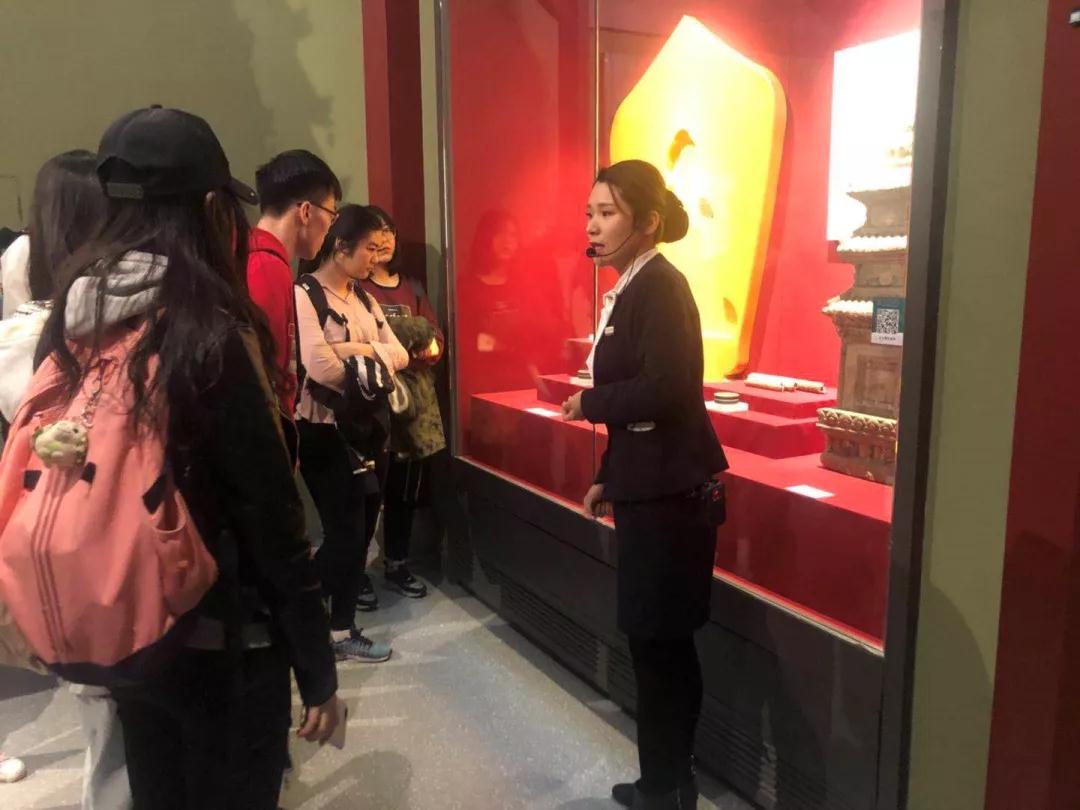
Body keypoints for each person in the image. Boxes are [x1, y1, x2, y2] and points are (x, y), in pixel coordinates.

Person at [31, 106, 341, 809]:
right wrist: (316, 667)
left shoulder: (74, 319)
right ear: (210, 208)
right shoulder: (208, 331)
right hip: (225, 638)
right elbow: (270, 514)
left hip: (130, 629)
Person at [561, 160, 728, 810]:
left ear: (648, 221)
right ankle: (668, 782)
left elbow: (667, 388)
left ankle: (667, 786)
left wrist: (590, 402)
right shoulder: (633, 286)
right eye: (590, 213)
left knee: (660, 644)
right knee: (655, 643)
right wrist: (609, 475)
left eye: (607, 214)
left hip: (671, 496)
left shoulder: (660, 286)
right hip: (649, 486)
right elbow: (641, 412)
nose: (593, 227)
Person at [0, 150, 118, 803]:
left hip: (50, 532)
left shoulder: (26, 310)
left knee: (99, 701)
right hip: (96, 531)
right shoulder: (74, 326)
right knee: (111, 706)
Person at [295, 204, 408, 655]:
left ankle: (336, 625)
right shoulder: (305, 293)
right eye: (370, 249)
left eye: (381, 250)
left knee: (360, 534)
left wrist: (351, 349)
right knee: (344, 534)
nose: (376, 260)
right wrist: (371, 352)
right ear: (341, 247)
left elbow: (400, 354)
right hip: (323, 429)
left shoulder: (363, 298)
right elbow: (318, 365)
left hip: (369, 426)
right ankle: (311, 611)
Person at [359, 206, 445, 599]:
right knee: (367, 492)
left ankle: (397, 562)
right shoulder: (357, 288)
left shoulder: (412, 286)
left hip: (413, 409)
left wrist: (421, 345)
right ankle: (356, 571)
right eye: (376, 232)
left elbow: (435, 340)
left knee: (404, 490)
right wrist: (408, 337)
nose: (385, 240)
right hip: (372, 404)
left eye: (390, 231)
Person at [247, 150, 342, 436]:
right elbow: (266, 376)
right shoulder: (266, 267)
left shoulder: (253, 255)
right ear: (306, 212)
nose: (330, 229)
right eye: (332, 215)